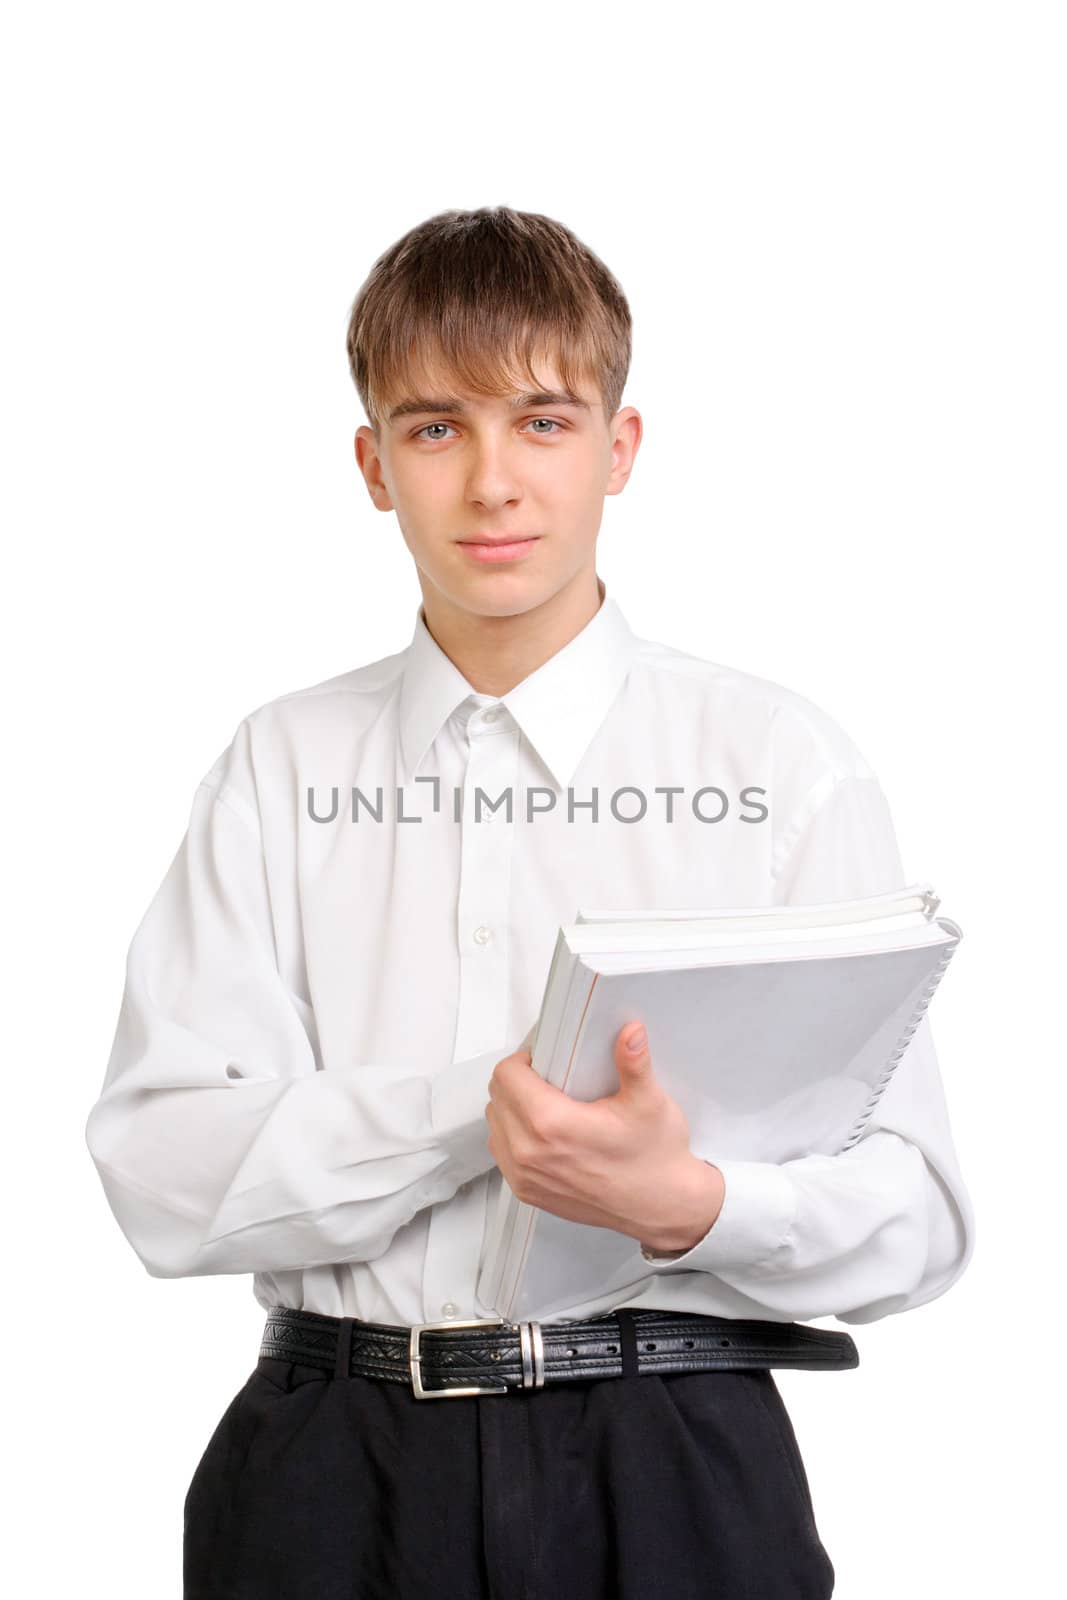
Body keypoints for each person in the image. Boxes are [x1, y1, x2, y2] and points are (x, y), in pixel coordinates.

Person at [85, 205, 975, 1600]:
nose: (494, 482)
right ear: (375, 466)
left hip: (672, 1464)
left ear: (620, 450)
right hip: (327, 1474)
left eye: (544, 422)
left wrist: (687, 1201)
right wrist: (483, 1109)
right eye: (437, 428)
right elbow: (161, 1175)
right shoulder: (282, 764)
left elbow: (913, 1214)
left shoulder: (774, 764)